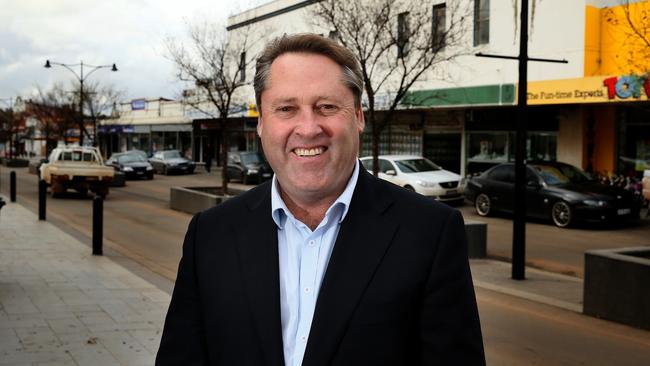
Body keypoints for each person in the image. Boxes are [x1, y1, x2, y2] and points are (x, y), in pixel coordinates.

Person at [156, 33, 485, 366]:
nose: (309, 128)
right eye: (286, 109)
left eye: (326, 107)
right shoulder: (211, 234)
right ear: (261, 124)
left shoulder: (430, 232)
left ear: (358, 116)